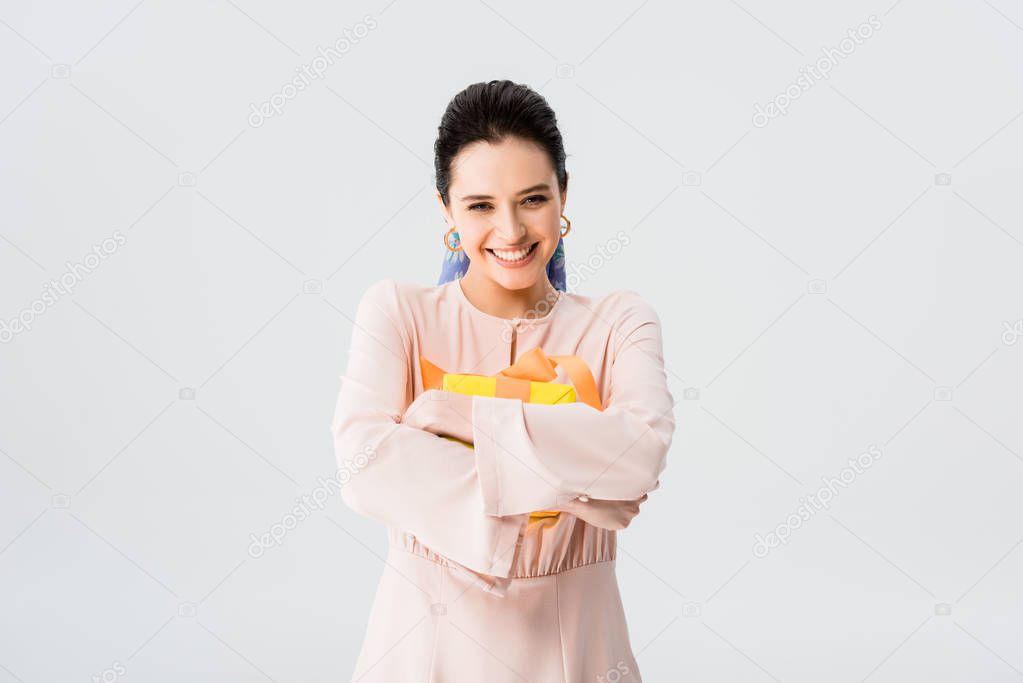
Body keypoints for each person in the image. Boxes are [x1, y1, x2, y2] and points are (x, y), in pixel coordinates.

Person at [331, 79, 675, 681]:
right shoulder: (398, 313)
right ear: (447, 210)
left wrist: (448, 415)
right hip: (419, 652)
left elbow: (638, 455)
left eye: (533, 198)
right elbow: (363, 465)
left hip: (580, 655)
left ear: (564, 196)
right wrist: (574, 470)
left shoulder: (619, 321)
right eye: (481, 205)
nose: (511, 231)